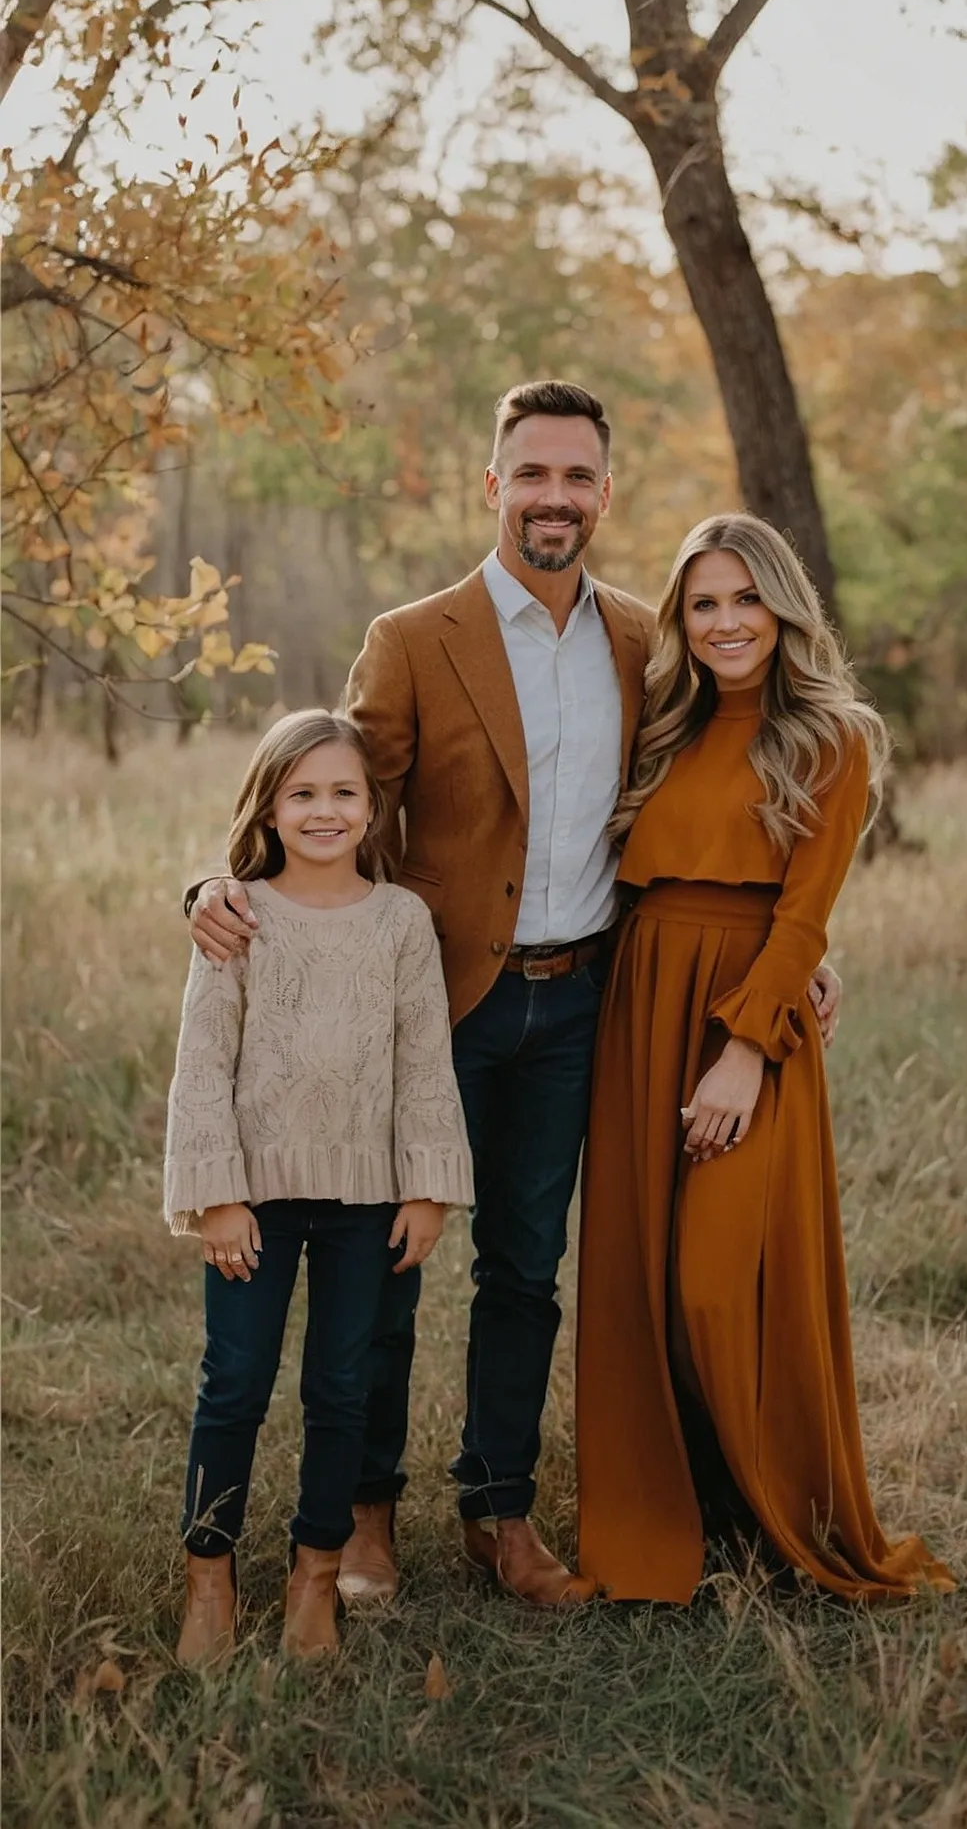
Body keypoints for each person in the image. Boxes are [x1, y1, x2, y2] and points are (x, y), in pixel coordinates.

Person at [186, 382, 843, 1609]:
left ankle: (499, 1512)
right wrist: (213, 883)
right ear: (493, 485)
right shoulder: (413, 637)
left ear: (606, 493)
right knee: (387, 1264)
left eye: (577, 477)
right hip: (433, 1004)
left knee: (527, 1270)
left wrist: (788, 948)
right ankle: (368, 1513)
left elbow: (712, 812)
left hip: (582, 1000)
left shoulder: (650, 642)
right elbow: (332, 796)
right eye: (531, 474)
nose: (555, 497)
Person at [575, 514, 955, 1605]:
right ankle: (682, 1519)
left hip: (750, 1016)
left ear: (784, 607)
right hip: (643, 1003)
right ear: (681, 622)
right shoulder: (661, 726)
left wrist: (745, 1050)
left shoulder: (832, 736)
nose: (726, 622)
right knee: (641, 1279)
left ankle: (780, 1513)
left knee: (720, 1281)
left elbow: (806, 913)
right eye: (703, 604)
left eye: (746, 599)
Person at [166, 710, 472, 1666]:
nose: (325, 810)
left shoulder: (401, 922)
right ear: (269, 806)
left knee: (344, 1386)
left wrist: (428, 1189)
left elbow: (425, 1062)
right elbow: (201, 1065)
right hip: (252, 1202)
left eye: (344, 792)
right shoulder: (238, 915)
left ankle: (313, 1575)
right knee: (236, 1385)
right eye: (302, 793)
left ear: (373, 805)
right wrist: (217, 1194)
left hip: (368, 1202)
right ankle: (209, 1577)